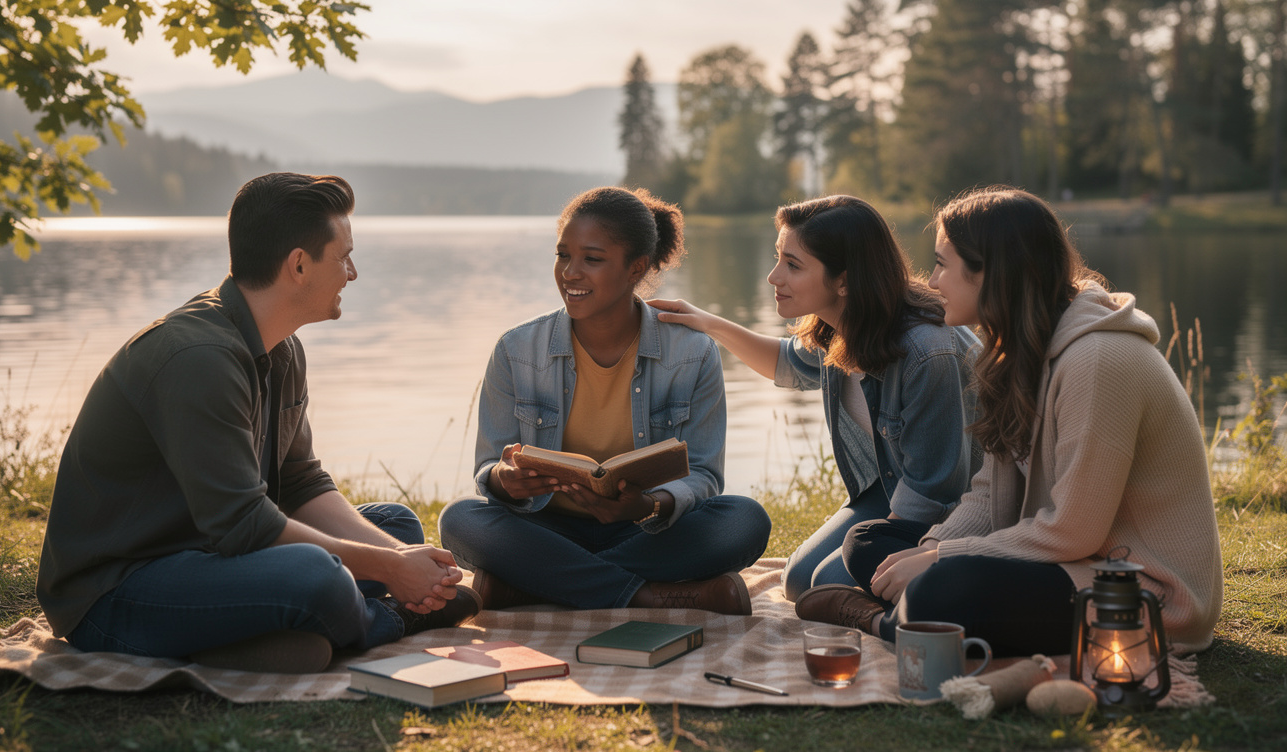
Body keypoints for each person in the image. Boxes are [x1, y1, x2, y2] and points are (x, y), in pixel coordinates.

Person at [36, 173, 478, 674]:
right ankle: (386, 620)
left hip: (211, 556)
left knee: (396, 526)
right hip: (117, 590)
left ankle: (274, 634)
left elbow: (301, 483)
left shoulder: (282, 349)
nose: (352, 273)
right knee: (318, 576)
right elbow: (243, 524)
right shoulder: (198, 358)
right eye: (344, 257)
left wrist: (405, 561)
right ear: (298, 265)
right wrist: (392, 570)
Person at [796, 187, 1223, 656]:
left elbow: (1073, 532)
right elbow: (988, 495)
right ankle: (917, 612)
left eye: (941, 264)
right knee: (868, 541)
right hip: (1060, 560)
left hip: (1136, 590)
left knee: (939, 588)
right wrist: (931, 546)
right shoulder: (1014, 353)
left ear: (989, 273)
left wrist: (941, 558)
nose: (932, 281)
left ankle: (882, 622)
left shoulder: (1098, 360)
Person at [438, 186, 771, 615]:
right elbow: (488, 468)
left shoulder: (693, 353)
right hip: (546, 529)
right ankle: (647, 595)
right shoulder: (515, 350)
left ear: (636, 268)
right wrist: (506, 481)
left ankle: (536, 586)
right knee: (461, 519)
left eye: (592, 259)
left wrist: (649, 504)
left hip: (644, 530)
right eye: (562, 255)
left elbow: (704, 474)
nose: (570, 273)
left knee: (744, 521)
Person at [651, 194, 980, 600]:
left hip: (956, 506)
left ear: (844, 281)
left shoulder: (926, 352)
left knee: (826, 583)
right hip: (892, 486)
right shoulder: (841, 325)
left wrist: (875, 552)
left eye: (793, 265)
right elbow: (786, 363)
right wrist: (708, 324)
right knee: (798, 580)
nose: (773, 276)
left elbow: (935, 490)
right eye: (778, 257)